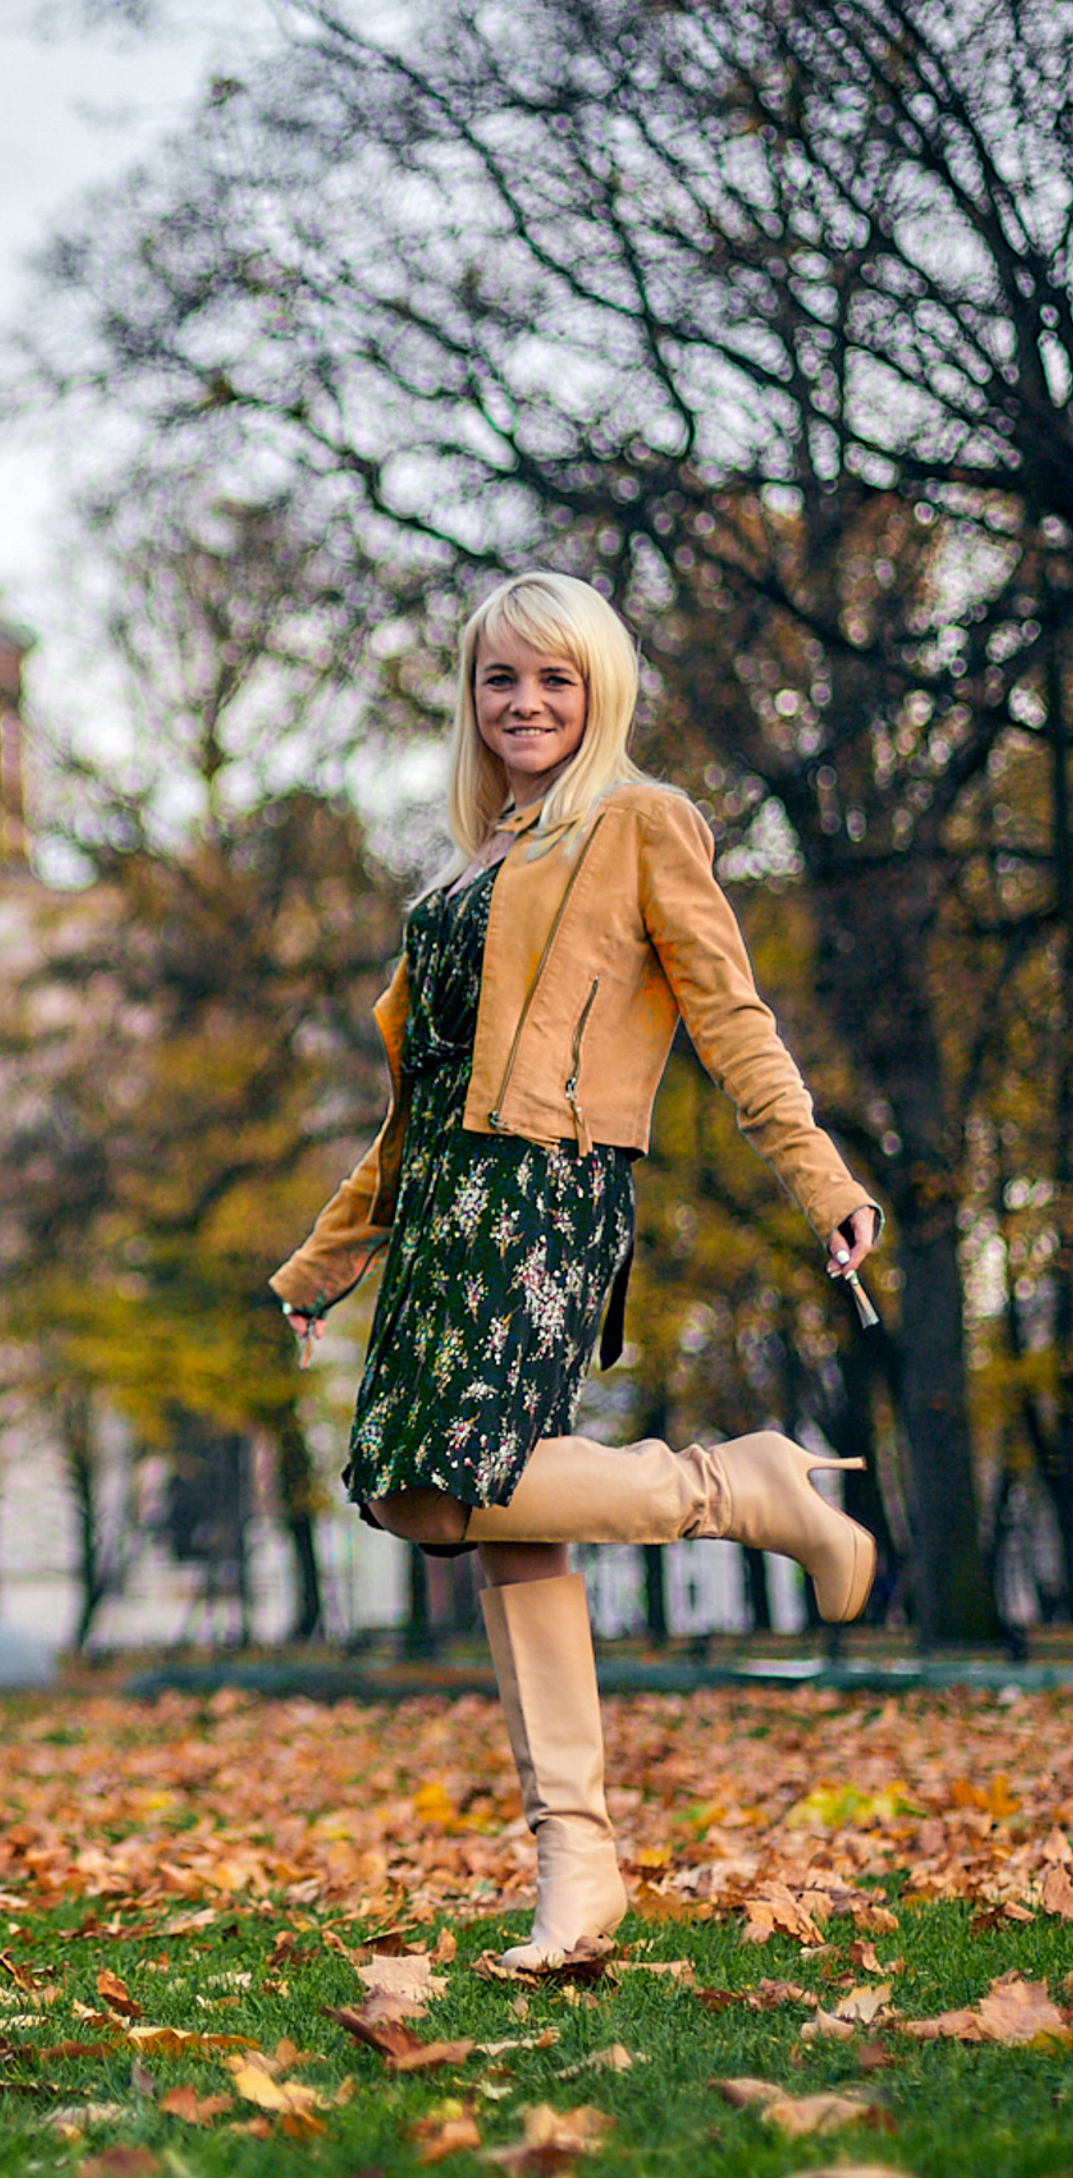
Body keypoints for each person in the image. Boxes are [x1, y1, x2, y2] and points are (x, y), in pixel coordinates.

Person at [272, 572, 879, 1970]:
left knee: (426, 1483)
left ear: (600, 690)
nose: (526, 703)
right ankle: (579, 1868)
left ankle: (735, 1486)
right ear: (470, 702)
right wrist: (327, 1262)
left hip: (545, 1190)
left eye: (555, 679)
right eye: (501, 680)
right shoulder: (465, 869)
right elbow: (415, 1102)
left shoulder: (637, 822)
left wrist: (821, 1177)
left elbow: (732, 1015)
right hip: (443, 1208)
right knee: (483, 1520)